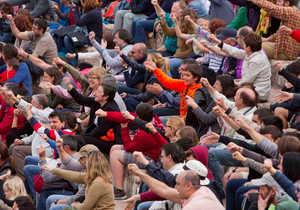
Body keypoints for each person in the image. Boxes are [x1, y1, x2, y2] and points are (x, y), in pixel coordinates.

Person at [126, 161, 224, 210]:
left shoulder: (193, 206)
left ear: (188, 185)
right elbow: (163, 190)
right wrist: (139, 173)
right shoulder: (202, 190)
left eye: (177, 184)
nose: (175, 187)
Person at [42, 150, 115, 210]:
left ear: (91, 164)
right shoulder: (93, 177)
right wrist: (53, 169)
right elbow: (74, 176)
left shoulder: (98, 183)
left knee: (55, 208)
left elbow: (84, 208)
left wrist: (75, 204)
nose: (79, 161)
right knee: (52, 202)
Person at [66, 78, 122, 154]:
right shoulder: (98, 101)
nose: (95, 93)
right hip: (97, 134)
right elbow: (81, 100)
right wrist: (70, 86)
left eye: (98, 92)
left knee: (80, 140)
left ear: (105, 96)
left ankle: (76, 159)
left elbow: (101, 130)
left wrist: (85, 137)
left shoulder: (110, 109)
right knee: (73, 136)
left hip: (110, 141)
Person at [45, 144, 98, 210]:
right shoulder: (87, 168)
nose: (78, 160)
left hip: (84, 205)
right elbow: (69, 162)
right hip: (80, 201)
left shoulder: (93, 176)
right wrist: (60, 148)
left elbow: (78, 199)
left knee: (54, 207)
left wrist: (57, 202)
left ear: (89, 159)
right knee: (50, 199)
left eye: (81, 158)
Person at [270, 61, 300, 129]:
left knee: (278, 110)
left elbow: (293, 104)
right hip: (295, 111)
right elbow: (282, 97)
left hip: (297, 112)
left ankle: (283, 133)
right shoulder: (294, 85)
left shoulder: (297, 83)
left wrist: (273, 106)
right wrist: (286, 88)